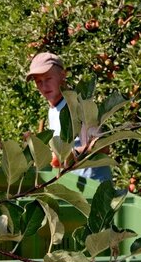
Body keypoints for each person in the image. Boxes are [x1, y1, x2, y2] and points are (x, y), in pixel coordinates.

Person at [25, 52, 111, 183]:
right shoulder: (53, 110)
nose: (43, 86)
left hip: (95, 187)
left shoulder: (77, 105)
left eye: (48, 79)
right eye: (38, 81)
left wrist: (73, 155)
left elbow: (102, 145)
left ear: (63, 75)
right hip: (77, 188)